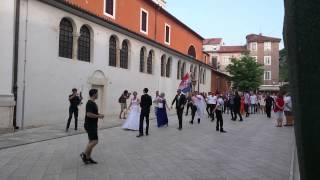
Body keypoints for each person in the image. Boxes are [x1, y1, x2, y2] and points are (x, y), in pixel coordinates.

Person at [80, 89, 104, 164]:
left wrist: (99, 114)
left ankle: (88, 158)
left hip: (92, 124)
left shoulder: (93, 103)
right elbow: (89, 114)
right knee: (95, 141)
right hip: (90, 125)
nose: (98, 95)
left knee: (91, 141)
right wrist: (98, 116)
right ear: (94, 94)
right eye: (97, 93)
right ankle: (84, 154)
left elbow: (94, 112)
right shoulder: (90, 103)